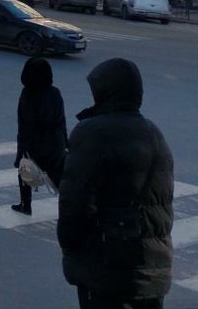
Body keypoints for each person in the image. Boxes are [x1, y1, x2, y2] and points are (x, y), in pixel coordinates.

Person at [57, 58, 173, 309]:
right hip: (154, 267)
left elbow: (74, 205)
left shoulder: (93, 132)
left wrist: (72, 249)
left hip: (108, 268)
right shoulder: (153, 133)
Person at [12, 56, 66, 215]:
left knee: (25, 172)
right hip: (55, 141)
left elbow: (24, 126)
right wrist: (66, 142)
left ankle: (25, 205)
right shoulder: (55, 92)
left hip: (35, 143)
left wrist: (20, 152)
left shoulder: (27, 94)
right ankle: (67, 209)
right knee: (59, 177)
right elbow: (62, 119)